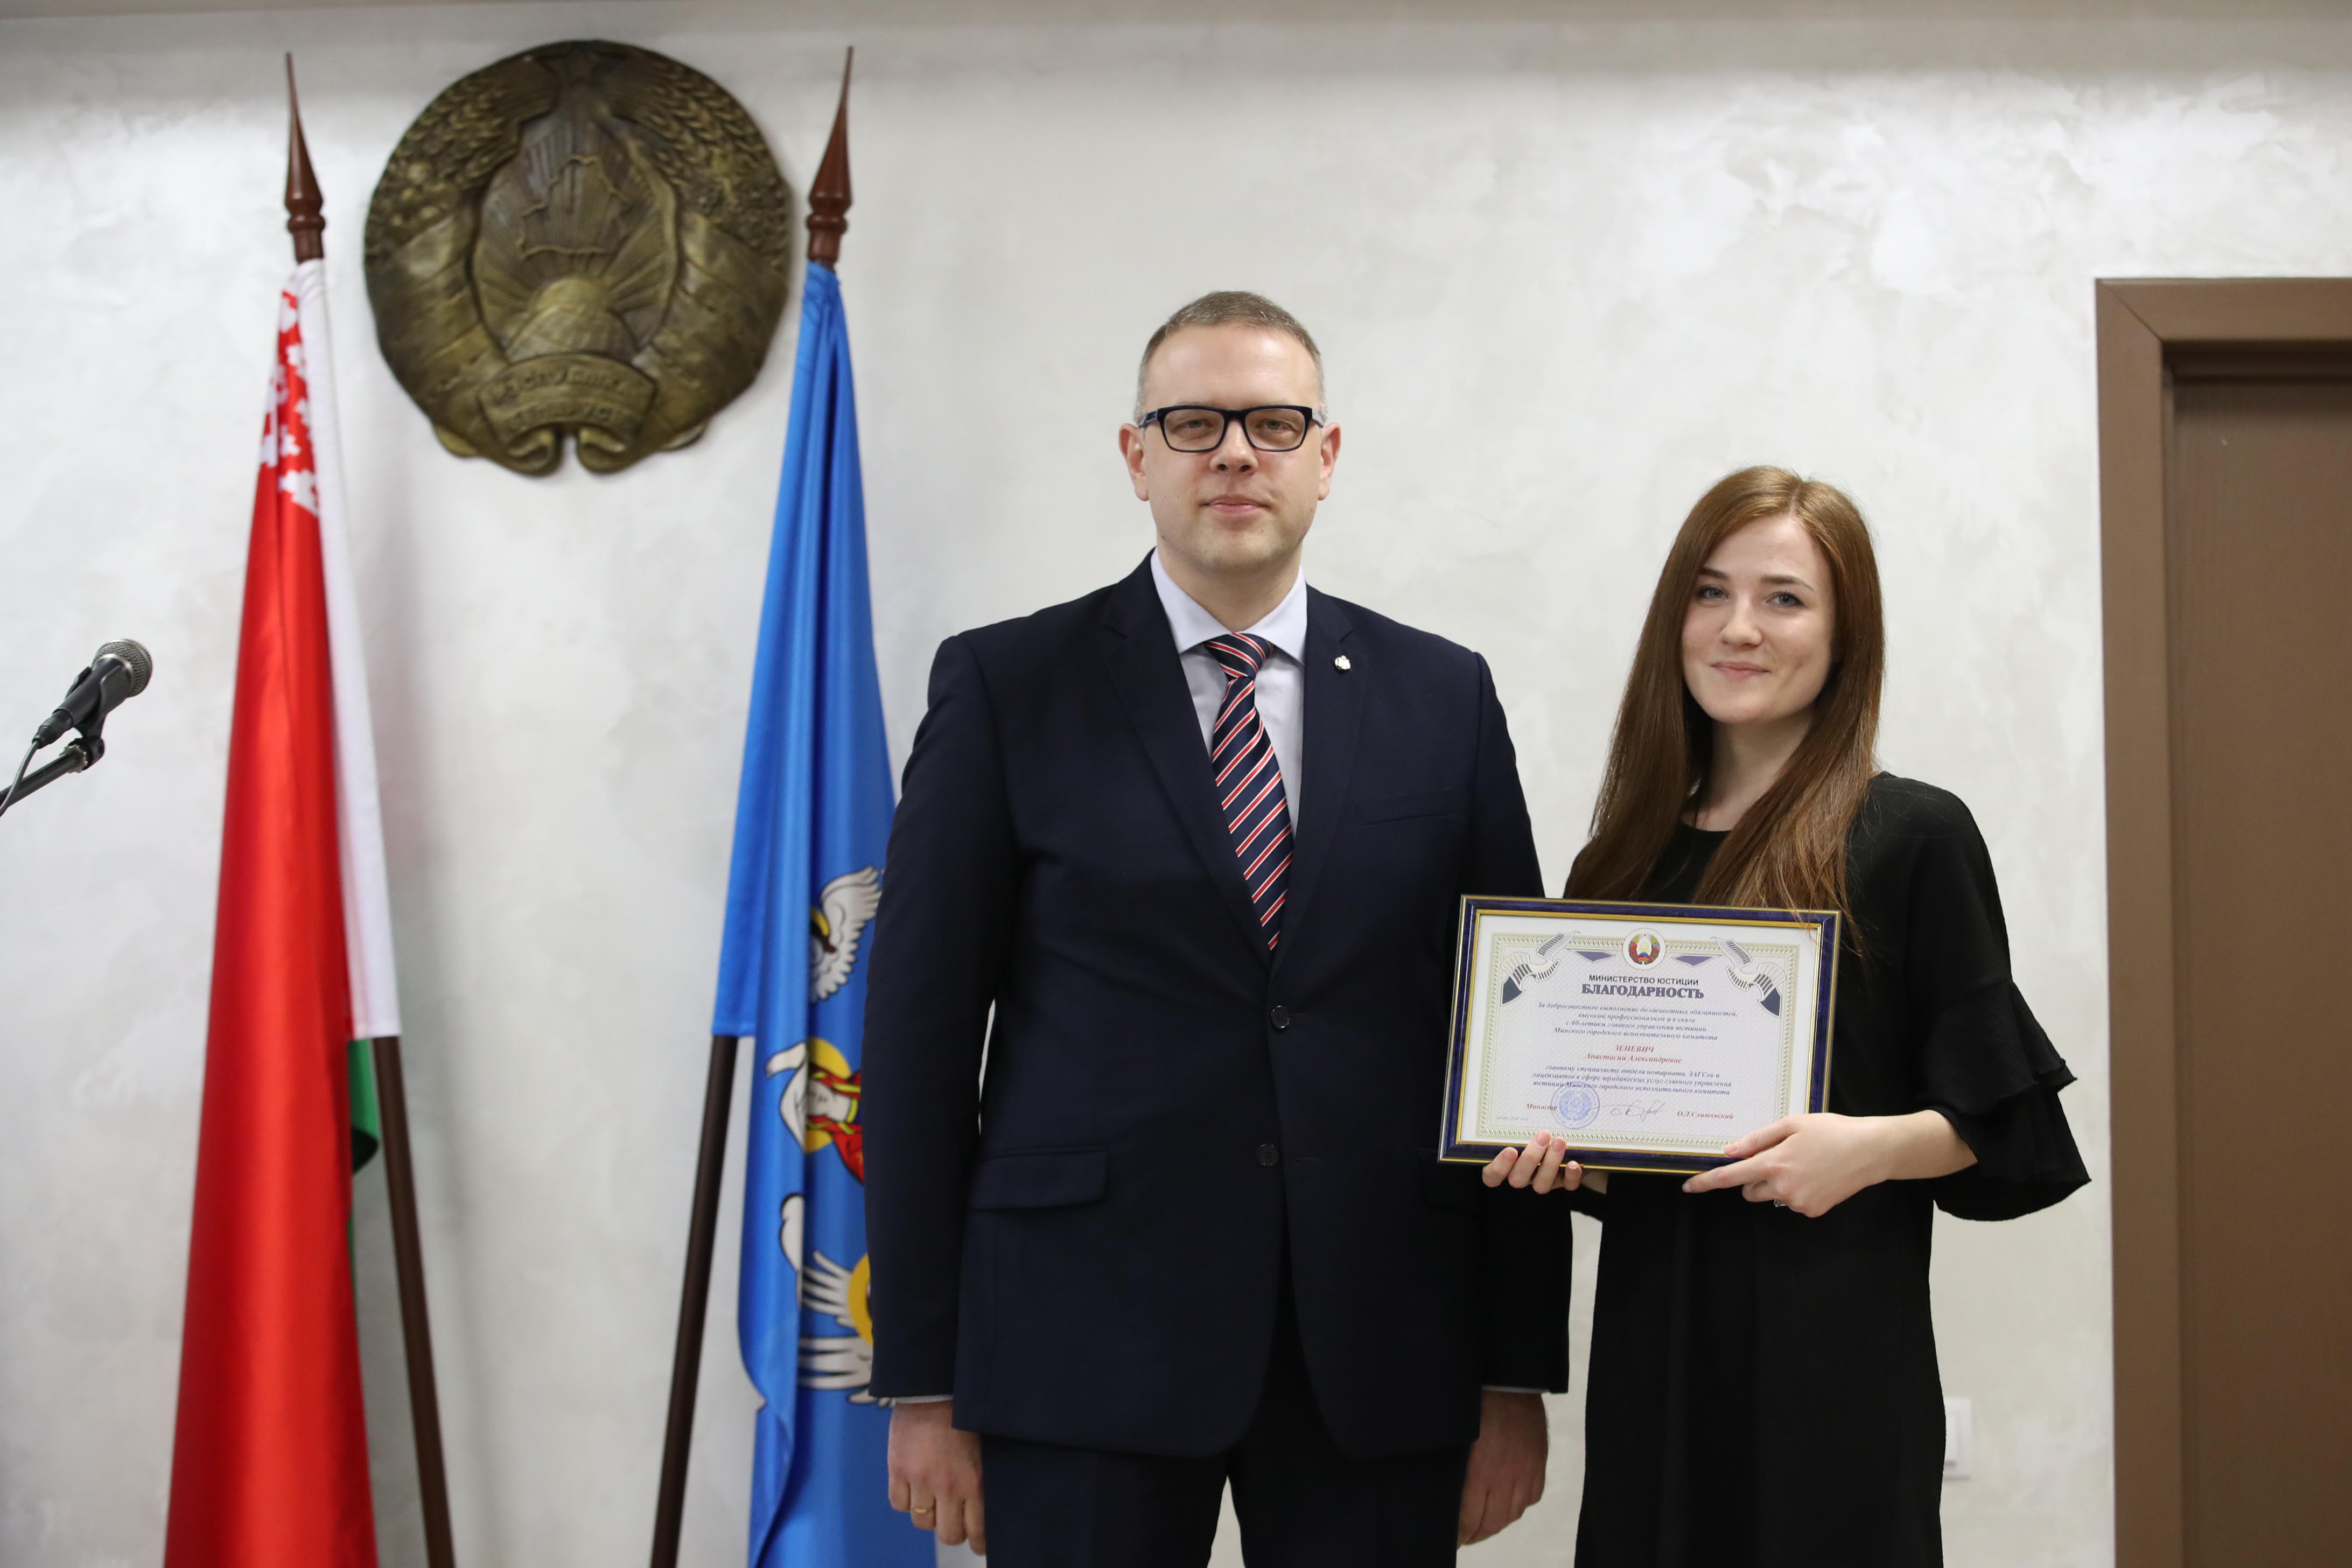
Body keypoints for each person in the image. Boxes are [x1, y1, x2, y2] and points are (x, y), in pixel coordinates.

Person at [861, 291, 1570, 1566]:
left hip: (1380, 1336)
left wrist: (1513, 1368)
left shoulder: (1444, 695)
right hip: (1078, 1339)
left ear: (1326, 456)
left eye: (1272, 424)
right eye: (1193, 423)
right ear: (1136, 456)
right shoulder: (1007, 685)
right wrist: (922, 1374)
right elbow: (917, 1041)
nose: (1235, 453)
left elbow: (1505, 1043)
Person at [1482, 466, 2088, 1567]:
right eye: (1710, 593)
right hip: (1655, 1361)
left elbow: (2007, 1121)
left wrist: (1865, 1150)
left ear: (1846, 637)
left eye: (1785, 599)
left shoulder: (1913, 837)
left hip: (1835, 1359)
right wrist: (1566, 1159)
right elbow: (1639, 1153)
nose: (1740, 629)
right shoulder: (1618, 860)